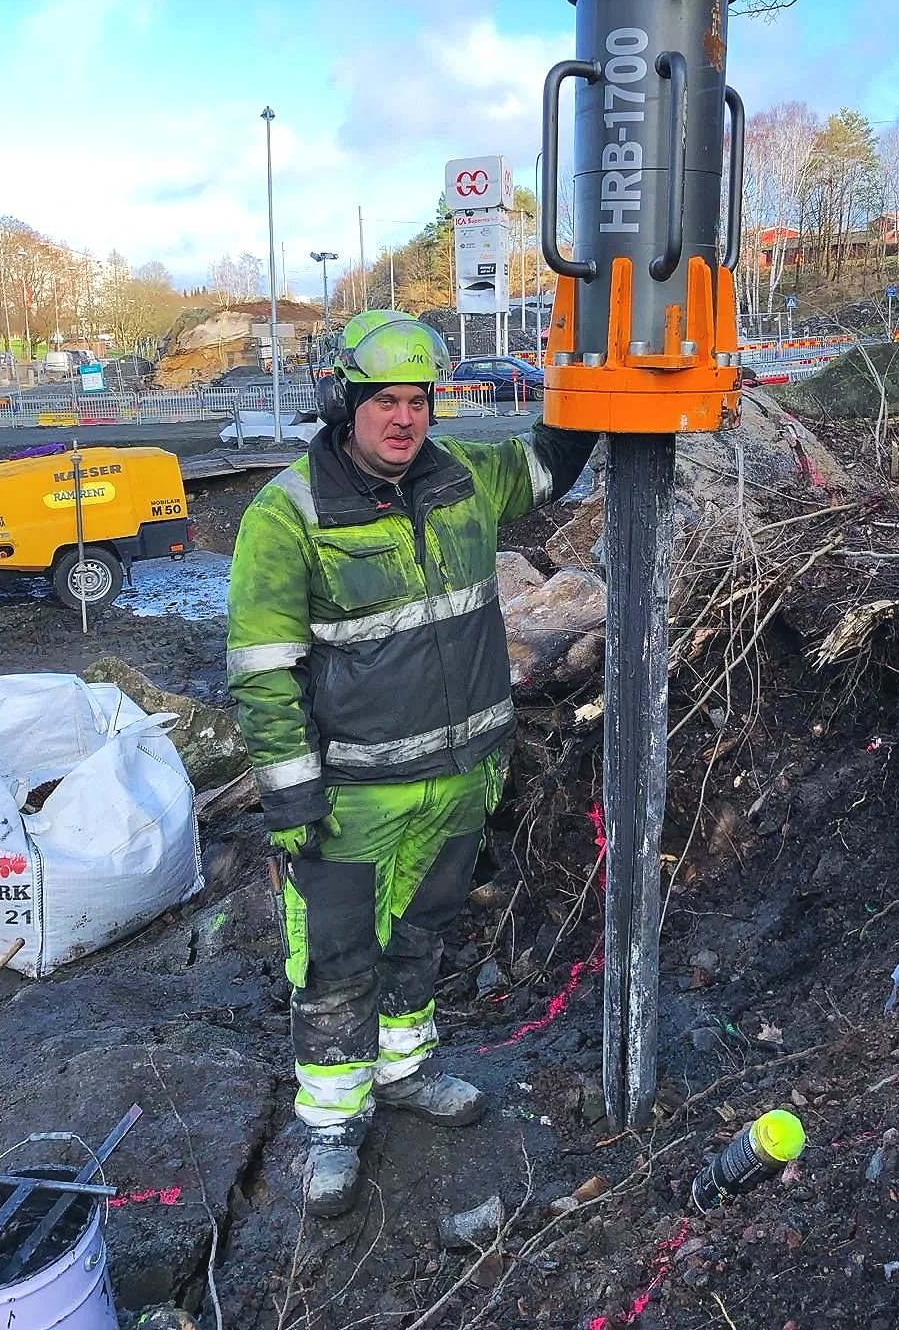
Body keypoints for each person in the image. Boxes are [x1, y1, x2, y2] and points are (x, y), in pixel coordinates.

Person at [228, 310, 596, 1217]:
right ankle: (332, 1124)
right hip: (351, 796)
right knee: (337, 962)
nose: (405, 418)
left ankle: (404, 1069)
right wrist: (292, 799)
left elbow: (550, 465)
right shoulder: (290, 517)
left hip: (461, 779)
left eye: (419, 401)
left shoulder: (462, 478)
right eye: (386, 401)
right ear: (343, 405)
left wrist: (589, 375)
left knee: (421, 939)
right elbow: (263, 675)